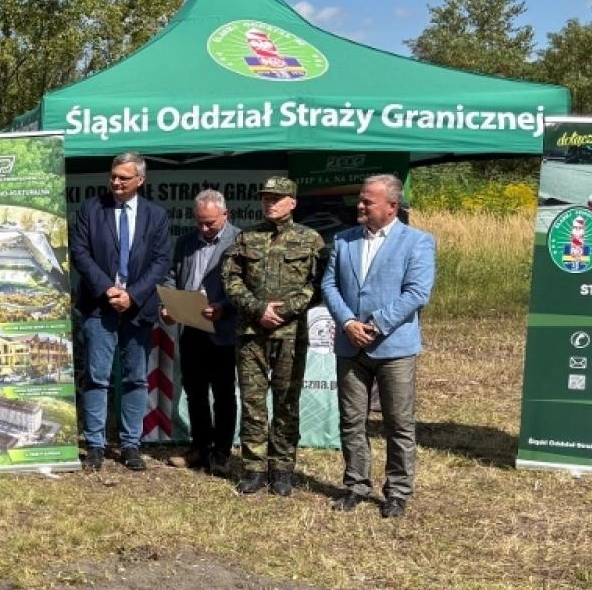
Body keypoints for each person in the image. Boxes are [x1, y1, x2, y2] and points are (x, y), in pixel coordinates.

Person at [321, 175, 436, 519]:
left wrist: (374, 325)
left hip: (394, 348)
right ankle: (356, 484)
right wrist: (347, 323)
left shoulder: (417, 242)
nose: (360, 206)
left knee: (398, 423)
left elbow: (417, 293)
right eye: (360, 200)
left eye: (367, 202)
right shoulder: (343, 240)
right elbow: (329, 285)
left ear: (391, 207)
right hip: (350, 344)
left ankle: (398, 491)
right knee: (351, 420)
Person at [222, 176, 327, 497]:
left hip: (291, 334)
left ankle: (282, 469)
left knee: (286, 403)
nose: (270, 202)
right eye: (266, 197)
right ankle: (253, 468)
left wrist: (285, 310)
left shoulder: (311, 240)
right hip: (252, 333)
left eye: (277, 198)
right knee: (253, 403)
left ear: (292, 202)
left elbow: (320, 284)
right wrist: (257, 308)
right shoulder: (246, 238)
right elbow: (230, 279)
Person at [68, 151, 171, 471]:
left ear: (140, 180)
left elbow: (161, 261)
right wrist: (106, 288)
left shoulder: (156, 215)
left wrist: (133, 295)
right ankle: (95, 445)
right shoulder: (91, 209)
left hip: (137, 309)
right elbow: (79, 251)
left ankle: (130, 445)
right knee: (97, 378)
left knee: (136, 379)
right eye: (113, 176)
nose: (115, 182)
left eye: (123, 178)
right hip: (100, 306)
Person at [161, 189, 240, 473]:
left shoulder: (240, 241)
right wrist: (168, 305)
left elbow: (246, 287)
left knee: (223, 394)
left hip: (223, 330)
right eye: (200, 222)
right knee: (194, 392)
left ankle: (221, 453)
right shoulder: (185, 242)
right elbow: (172, 277)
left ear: (225, 215)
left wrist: (223, 306)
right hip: (192, 328)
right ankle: (199, 447)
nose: (204, 228)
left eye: (210, 223)